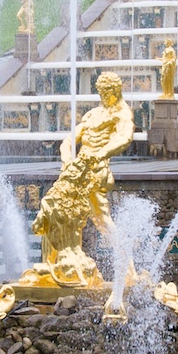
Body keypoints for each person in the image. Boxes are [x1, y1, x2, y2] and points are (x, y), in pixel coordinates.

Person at [61, 72, 133, 237]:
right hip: (76, 167)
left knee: (101, 218)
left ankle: (126, 261)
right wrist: (66, 158)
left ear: (116, 91)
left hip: (96, 169)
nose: (103, 97)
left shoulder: (122, 113)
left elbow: (124, 138)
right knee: (61, 212)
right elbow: (69, 139)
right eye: (101, 93)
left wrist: (99, 155)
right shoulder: (93, 113)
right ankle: (61, 258)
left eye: (107, 93)